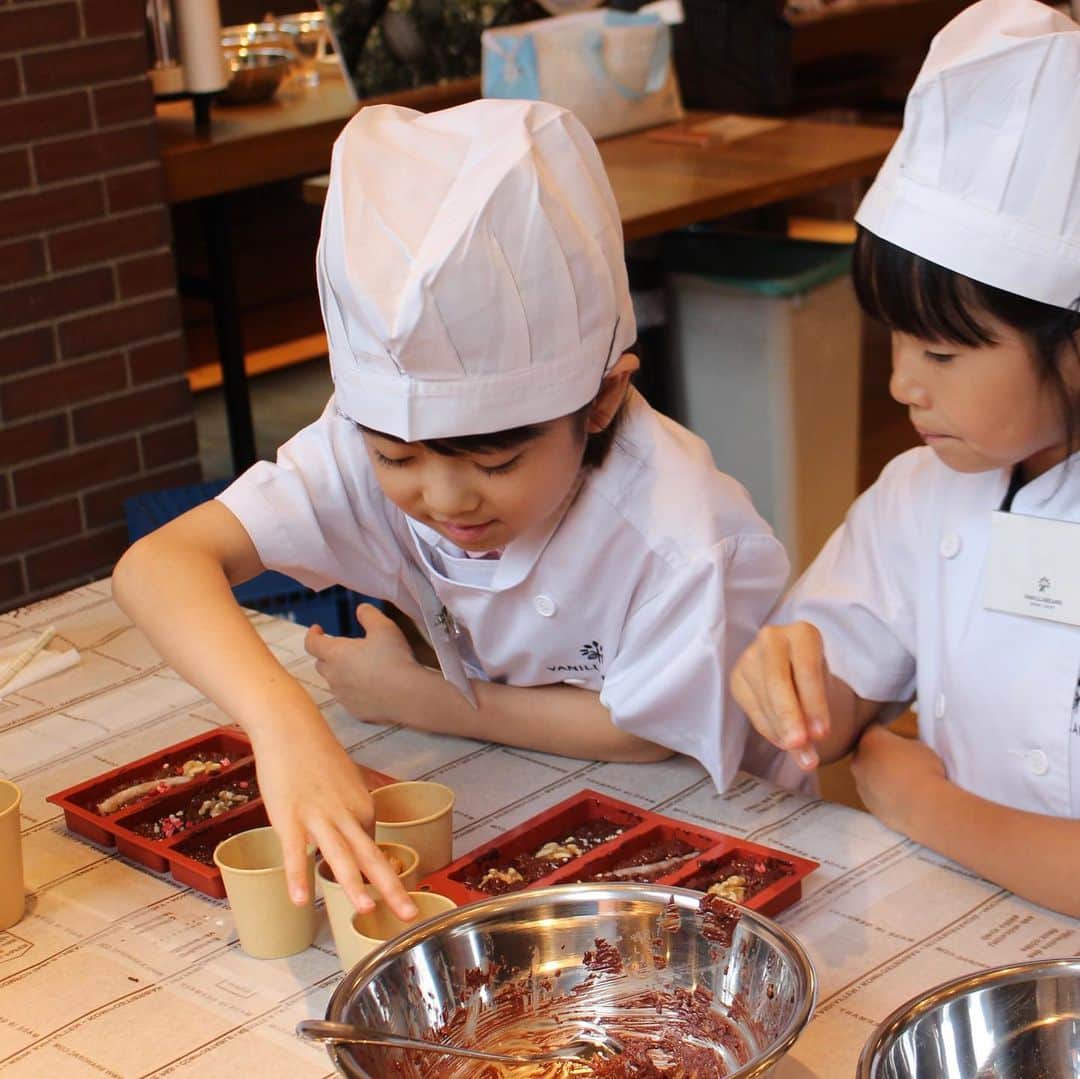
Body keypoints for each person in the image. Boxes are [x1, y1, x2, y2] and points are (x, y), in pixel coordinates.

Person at [114, 99, 789, 915]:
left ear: (603, 399)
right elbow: (157, 565)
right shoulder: (359, 449)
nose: (441, 498)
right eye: (396, 458)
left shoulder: (683, 531)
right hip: (527, 786)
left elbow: (647, 730)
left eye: (496, 461)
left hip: (705, 837)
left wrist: (422, 702)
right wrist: (281, 719)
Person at [732, 0, 1080, 916]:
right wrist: (797, 682)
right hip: (967, 919)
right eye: (894, 342)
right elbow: (842, 675)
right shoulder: (926, 492)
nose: (901, 387)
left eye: (942, 353)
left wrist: (921, 799)